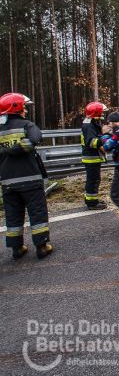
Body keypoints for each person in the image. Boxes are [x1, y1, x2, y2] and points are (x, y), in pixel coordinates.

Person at [0, 93, 53, 260]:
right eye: (24, 107)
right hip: (29, 179)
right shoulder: (26, 125)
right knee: (37, 212)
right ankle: (42, 246)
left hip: (7, 182)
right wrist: (17, 148)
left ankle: (17, 248)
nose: (25, 110)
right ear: (17, 108)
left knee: (13, 214)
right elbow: (37, 137)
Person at [81, 101, 108, 210]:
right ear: (96, 113)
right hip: (91, 158)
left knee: (94, 179)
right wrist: (105, 135)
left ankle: (91, 199)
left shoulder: (91, 123)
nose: (103, 115)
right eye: (101, 113)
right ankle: (92, 203)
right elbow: (92, 143)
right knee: (93, 180)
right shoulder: (89, 126)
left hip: (93, 157)